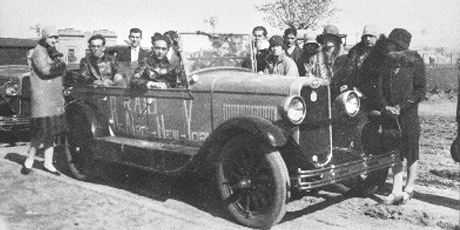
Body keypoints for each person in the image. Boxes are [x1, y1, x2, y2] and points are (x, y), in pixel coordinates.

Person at [378, 28, 426, 205]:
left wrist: (401, 106)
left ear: (401, 46)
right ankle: (396, 190)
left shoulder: (415, 63)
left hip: (408, 116)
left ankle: (409, 189)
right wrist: (385, 107)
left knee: (411, 152)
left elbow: (421, 90)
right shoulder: (386, 63)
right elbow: (379, 89)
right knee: (395, 153)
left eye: (392, 44)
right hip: (391, 116)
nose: (389, 47)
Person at [21, 26, 67, 176]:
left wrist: (61, 65)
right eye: (51, 37)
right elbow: (45, 70)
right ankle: (29, 160)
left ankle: (48, 163)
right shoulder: (39, 50)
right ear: (44, 38)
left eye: (56, 38)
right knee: (41, 132)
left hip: (53, 97)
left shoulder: (52, 50)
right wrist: (60, 65)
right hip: (43, 99)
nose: (54, 40)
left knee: (51, 133)